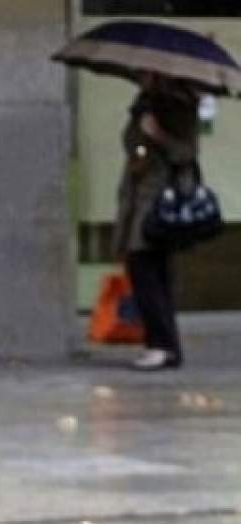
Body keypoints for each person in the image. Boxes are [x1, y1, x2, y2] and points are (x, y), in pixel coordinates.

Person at [113, 72, 199, 371]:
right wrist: (140, 122)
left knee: (147, 268)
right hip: (137, 196)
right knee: (146, 270)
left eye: (149, 74)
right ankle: (159, 343)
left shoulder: (179, 105)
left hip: (159, 202)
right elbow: (129, 142)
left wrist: (157, 134)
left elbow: (185, 153)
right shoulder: (144, 103)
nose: (142, 78)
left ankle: (163, 345)